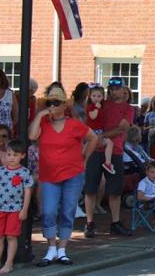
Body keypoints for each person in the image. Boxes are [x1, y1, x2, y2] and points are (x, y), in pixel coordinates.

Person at [29, 85, 98, 266]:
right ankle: (51, 248)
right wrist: (39, 115)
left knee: (67, 211)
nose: (52, 105)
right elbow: (32, 135)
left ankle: (62, 249)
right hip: (49, 175)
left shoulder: (74, 124)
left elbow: (93, 138)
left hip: (73, 174)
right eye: (49, 102)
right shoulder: (43, 123)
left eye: (56, 102)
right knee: (48, 211)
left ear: (64, 106)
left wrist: (85, 158)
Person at [83, 77, 134, 238]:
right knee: (90, 187)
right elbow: (89, 114)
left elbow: (123, 127)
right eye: (111, 89)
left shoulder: (128, 108)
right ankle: (89, 223)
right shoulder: (102, 103)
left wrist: (103, 135)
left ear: (123, 89)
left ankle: (115, 222)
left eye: (117, 89)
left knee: (115, 190)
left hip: (115, 151)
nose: (114, 91)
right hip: (95, 149)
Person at [0, 139, 34, 274]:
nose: (11, 158)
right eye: (9, 154)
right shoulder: (1, 171)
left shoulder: (24, 172)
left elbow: (28, 191)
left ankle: (9, 263)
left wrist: (24, 209)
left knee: (11, 236)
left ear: (22, 156)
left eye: (15, 155)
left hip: (15, 209)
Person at [85, 85, 116, 175]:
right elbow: (92, 116)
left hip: (99, 130)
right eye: (94, 96)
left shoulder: (100, 107)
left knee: (107, 143)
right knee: (109, 143)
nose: (96, 98)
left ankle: (107, 162)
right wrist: (97, 108)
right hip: (94, 131)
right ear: (90, 96)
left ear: (103, 97)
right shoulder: (91, 107)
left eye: (99, 96)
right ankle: (107, 162)